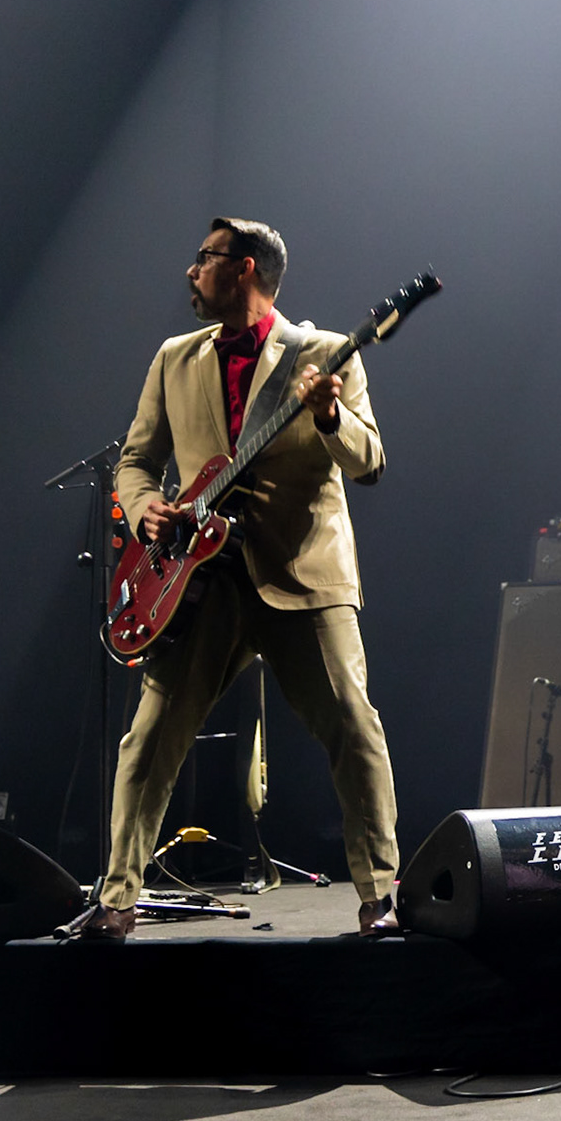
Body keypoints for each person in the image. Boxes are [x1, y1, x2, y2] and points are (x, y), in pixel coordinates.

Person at [80, 216, 401, 941]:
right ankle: (117, 897)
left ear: (246, 268)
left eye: (206, 258)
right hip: (200, 581)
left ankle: (380, 896)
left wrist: (328, 416)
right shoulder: (174, 358)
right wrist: (143, 509)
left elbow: (370, 459)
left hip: (304, 576)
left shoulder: (322, 354)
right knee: (151, 738)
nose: (191, 271)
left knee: (354, 727)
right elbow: (137, 460)